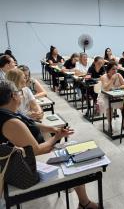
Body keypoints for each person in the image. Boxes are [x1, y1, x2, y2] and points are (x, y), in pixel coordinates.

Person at [0, 80, 99, 209]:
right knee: (72, 155)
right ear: (13, 96)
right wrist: (57, 137)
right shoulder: (11, 122)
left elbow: (31, 124)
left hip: (22, 157)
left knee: (71, 147)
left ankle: (83, 201)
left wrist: (53, 129)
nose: (21, 95)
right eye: (19, 93)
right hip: (24, 166)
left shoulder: (8, 112)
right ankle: (84, 203)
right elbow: (36, 150)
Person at [97, 61, 124, 132]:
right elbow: (106, 88)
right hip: (105, 96)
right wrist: (112, 79)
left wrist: (116, 88)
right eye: (113, 69)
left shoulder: (118, 75)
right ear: (108, 70)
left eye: (116, 69)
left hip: (118, 95)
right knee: (109, 107)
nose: (115, 71)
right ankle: (109, 124)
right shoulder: (103, 77)